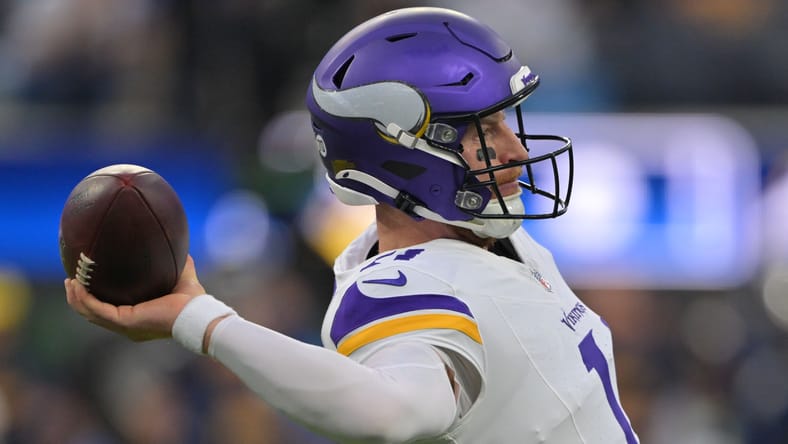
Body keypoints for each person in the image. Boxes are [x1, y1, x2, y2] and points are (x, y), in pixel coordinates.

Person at [65, 7, 639, 444]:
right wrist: (202, 320)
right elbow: (394, 412)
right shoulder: (397, 289)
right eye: (481, 130)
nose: (513, 149)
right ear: (400, 150)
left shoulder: (496, 241)